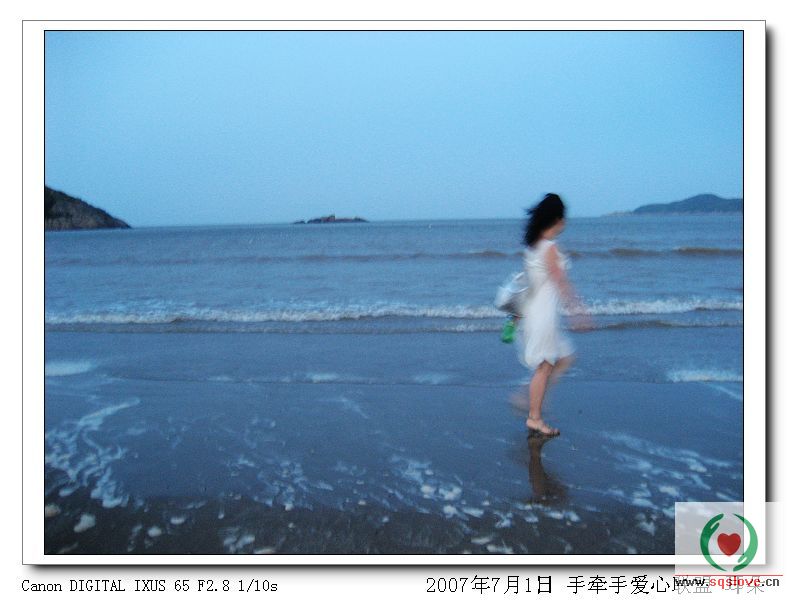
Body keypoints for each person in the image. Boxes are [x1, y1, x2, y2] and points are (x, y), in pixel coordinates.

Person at [515, 193, 589, 436]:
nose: (565, 223)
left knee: (565, 358)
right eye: (563, 218)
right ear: (556, 219)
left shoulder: (534, 246)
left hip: (536, 313)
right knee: (545, 366)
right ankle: (534, 417)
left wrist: (516, 315)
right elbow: (560, 281)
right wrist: (578, 311)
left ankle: (530, 397)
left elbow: (529, 284)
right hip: (543, 317)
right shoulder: (549, 247)